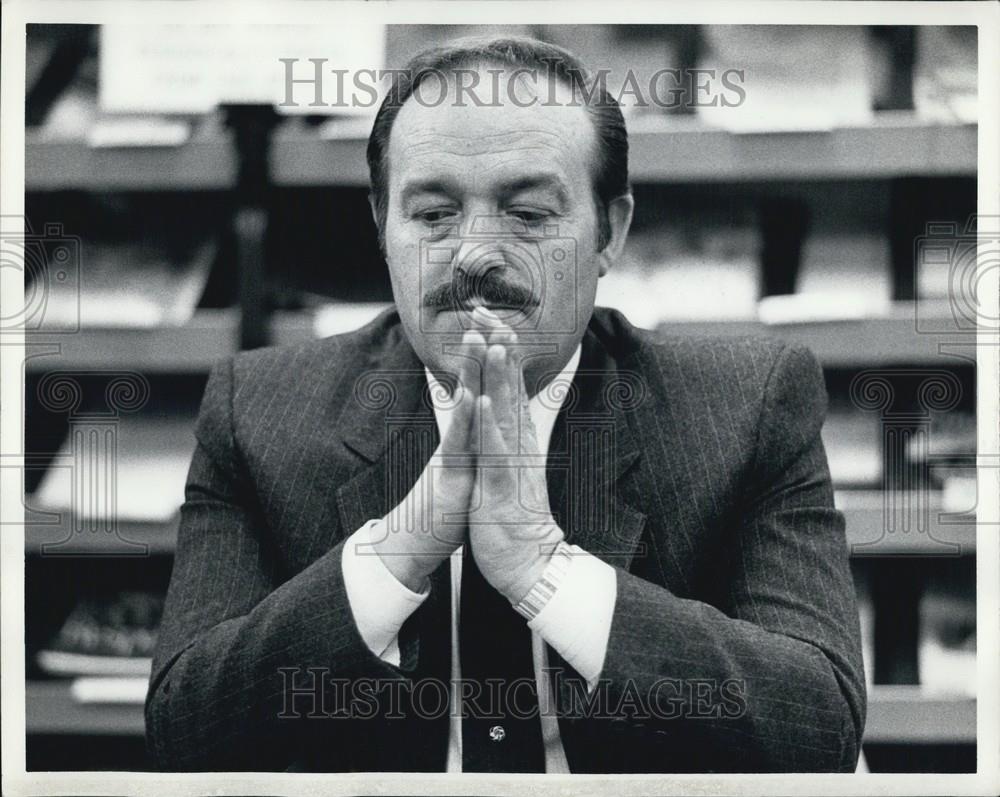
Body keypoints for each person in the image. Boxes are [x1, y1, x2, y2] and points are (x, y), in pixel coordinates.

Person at [146, 36, 866, 774]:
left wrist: (541, 567)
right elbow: (183, 730)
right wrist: (397, 550)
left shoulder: (746, 407)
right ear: (381, 227)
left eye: (527, 214)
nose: (475, 254)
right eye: (432, 214)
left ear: (609, 231)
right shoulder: (257, 412)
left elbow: (819, 728)